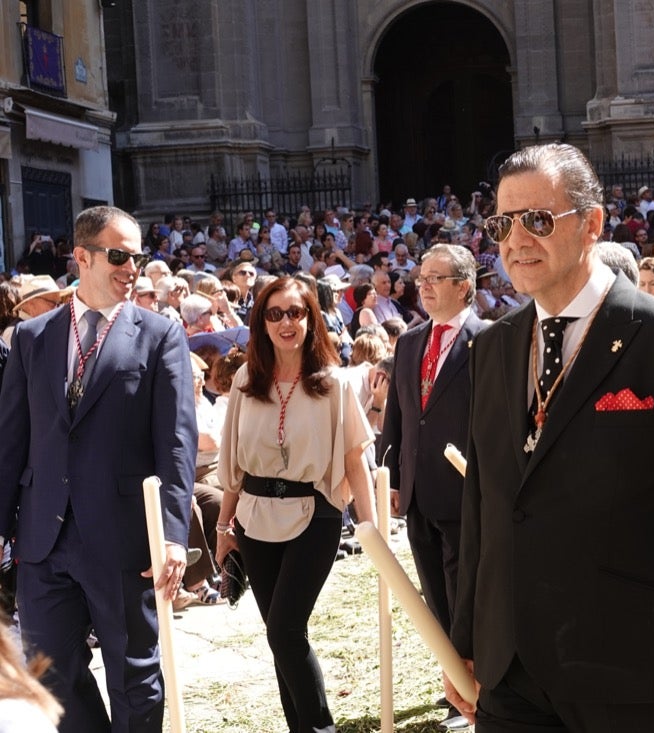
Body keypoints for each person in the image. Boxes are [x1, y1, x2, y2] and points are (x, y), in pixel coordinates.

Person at [444, 143, 654, 732]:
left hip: (631, 667)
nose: (516, 240)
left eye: (538, 220)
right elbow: (485, 503)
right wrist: (468, 638)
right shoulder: (492, 346)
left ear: (592, 224)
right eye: (502, 224)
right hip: (512, 670)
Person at [0, 205, 197, 732]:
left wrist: (173, 537)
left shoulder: (160, 336)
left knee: (135, 679)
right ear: (81, 258)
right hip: (42, 543)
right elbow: (10, 443)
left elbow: (176, 445)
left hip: (124, 542)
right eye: (118, 255)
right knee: (50, 677)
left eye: (137, 256)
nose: (131, 267)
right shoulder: (31, 339)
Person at [214, 277, 376, 733]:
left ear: (311, 318)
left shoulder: (334, 382)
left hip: (315, 516)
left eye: (296, 312)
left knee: (285, 630)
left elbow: (354, 460)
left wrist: (373, 529)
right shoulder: (246, 379)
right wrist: (225, 529)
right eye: (275, 313)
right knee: (279, 639)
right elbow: (234, 466)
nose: (287, 322)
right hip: (254, 518)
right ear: (261, 322)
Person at [379, 244, 487, 730]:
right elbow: (397, 418)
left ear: (463, 285)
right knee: (435, 598)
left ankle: (478, 685)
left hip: (464, 490)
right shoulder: (409, 341)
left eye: (435, 278)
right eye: (420, 276)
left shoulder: (488, 340)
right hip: (419, 491)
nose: (422, 285)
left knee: (465, 593)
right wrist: (395, 478)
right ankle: (453, 689)